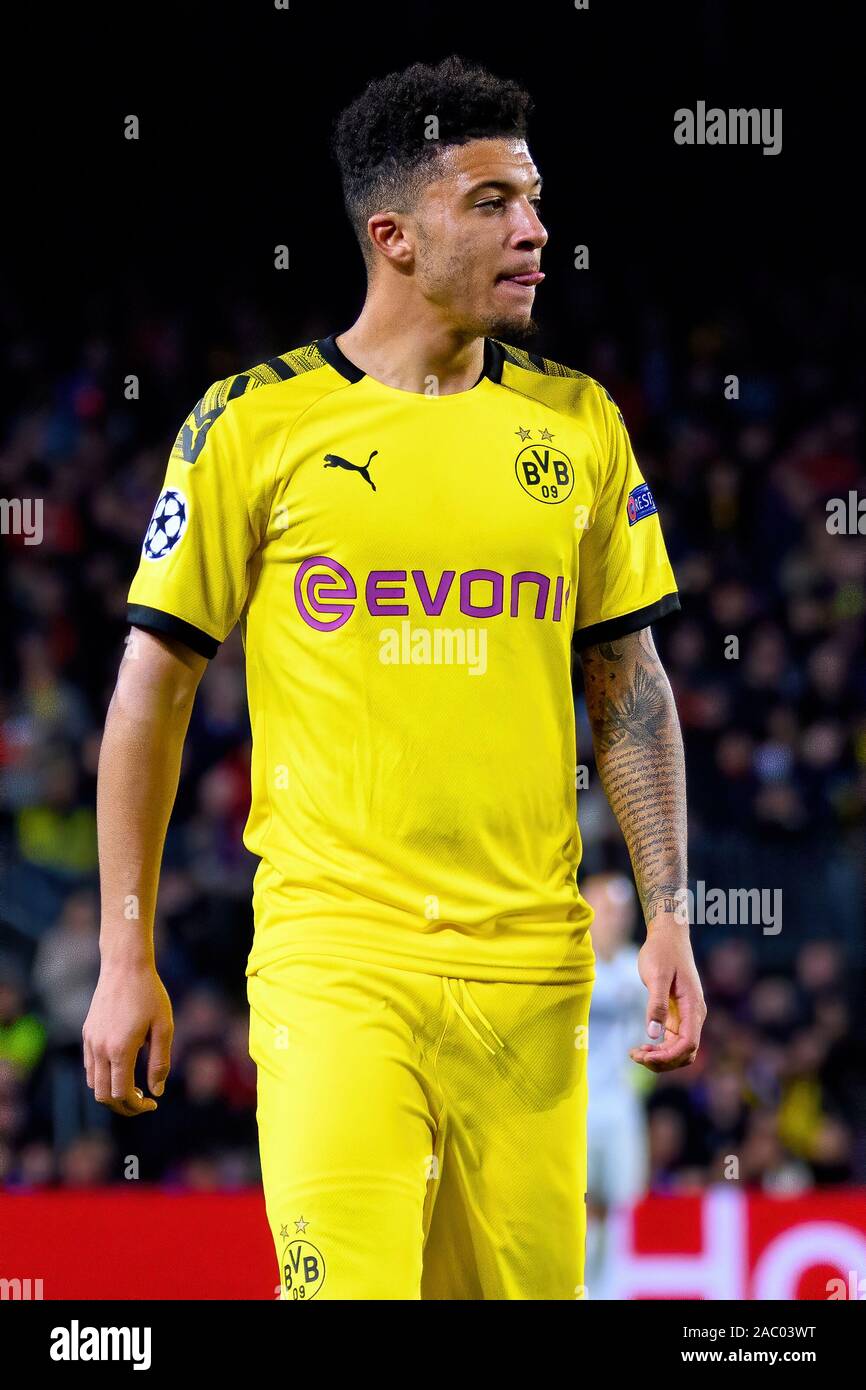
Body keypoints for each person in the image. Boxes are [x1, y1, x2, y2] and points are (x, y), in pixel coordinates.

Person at [84, 54, 706, 1300]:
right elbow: (149, 695)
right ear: (395, 237)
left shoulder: (577, 423)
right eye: (491, 202)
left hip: (533, 977)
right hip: (336, 960)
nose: (534, 229)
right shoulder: (247, 426)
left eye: (533, 199)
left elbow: (627, 685)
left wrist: (671, 912)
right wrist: (122, 952)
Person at [583, 873, 650, 1299]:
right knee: (577, 1204)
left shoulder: (638, 970)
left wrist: (638, 1081)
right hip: (574, 1108)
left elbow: (656, 1036)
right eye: (608, 910)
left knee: (620, 1209)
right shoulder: (570, 969)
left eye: (623, 912)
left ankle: (610, 1289)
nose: (617, 920)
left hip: (620, 1109)